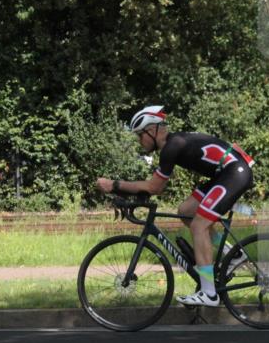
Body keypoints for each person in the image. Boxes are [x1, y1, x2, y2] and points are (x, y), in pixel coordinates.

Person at [96, 105, 254, 307]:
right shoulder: (173, 144)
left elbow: (155, 187)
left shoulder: (172, 146)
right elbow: (155, 186)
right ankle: (234, 254)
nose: (139, 141)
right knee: (186, 211)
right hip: (225, 173)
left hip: (233, 173)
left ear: (152, 131)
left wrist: (114, 185)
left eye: (139, 135)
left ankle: (209, 294)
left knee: (199, 226)